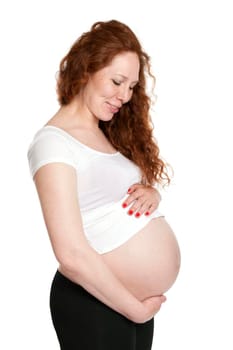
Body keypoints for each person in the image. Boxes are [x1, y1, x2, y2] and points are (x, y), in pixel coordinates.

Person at [27, 19, 180, 350]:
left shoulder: (105, 132)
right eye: (117, 81)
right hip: (94, 302)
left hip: (126, 303)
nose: (124, 95)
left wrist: (150, 193)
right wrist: (136, 310)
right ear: (86, 69)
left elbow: (107, 199)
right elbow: (70, 253)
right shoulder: (53, 144)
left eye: (131, 86)